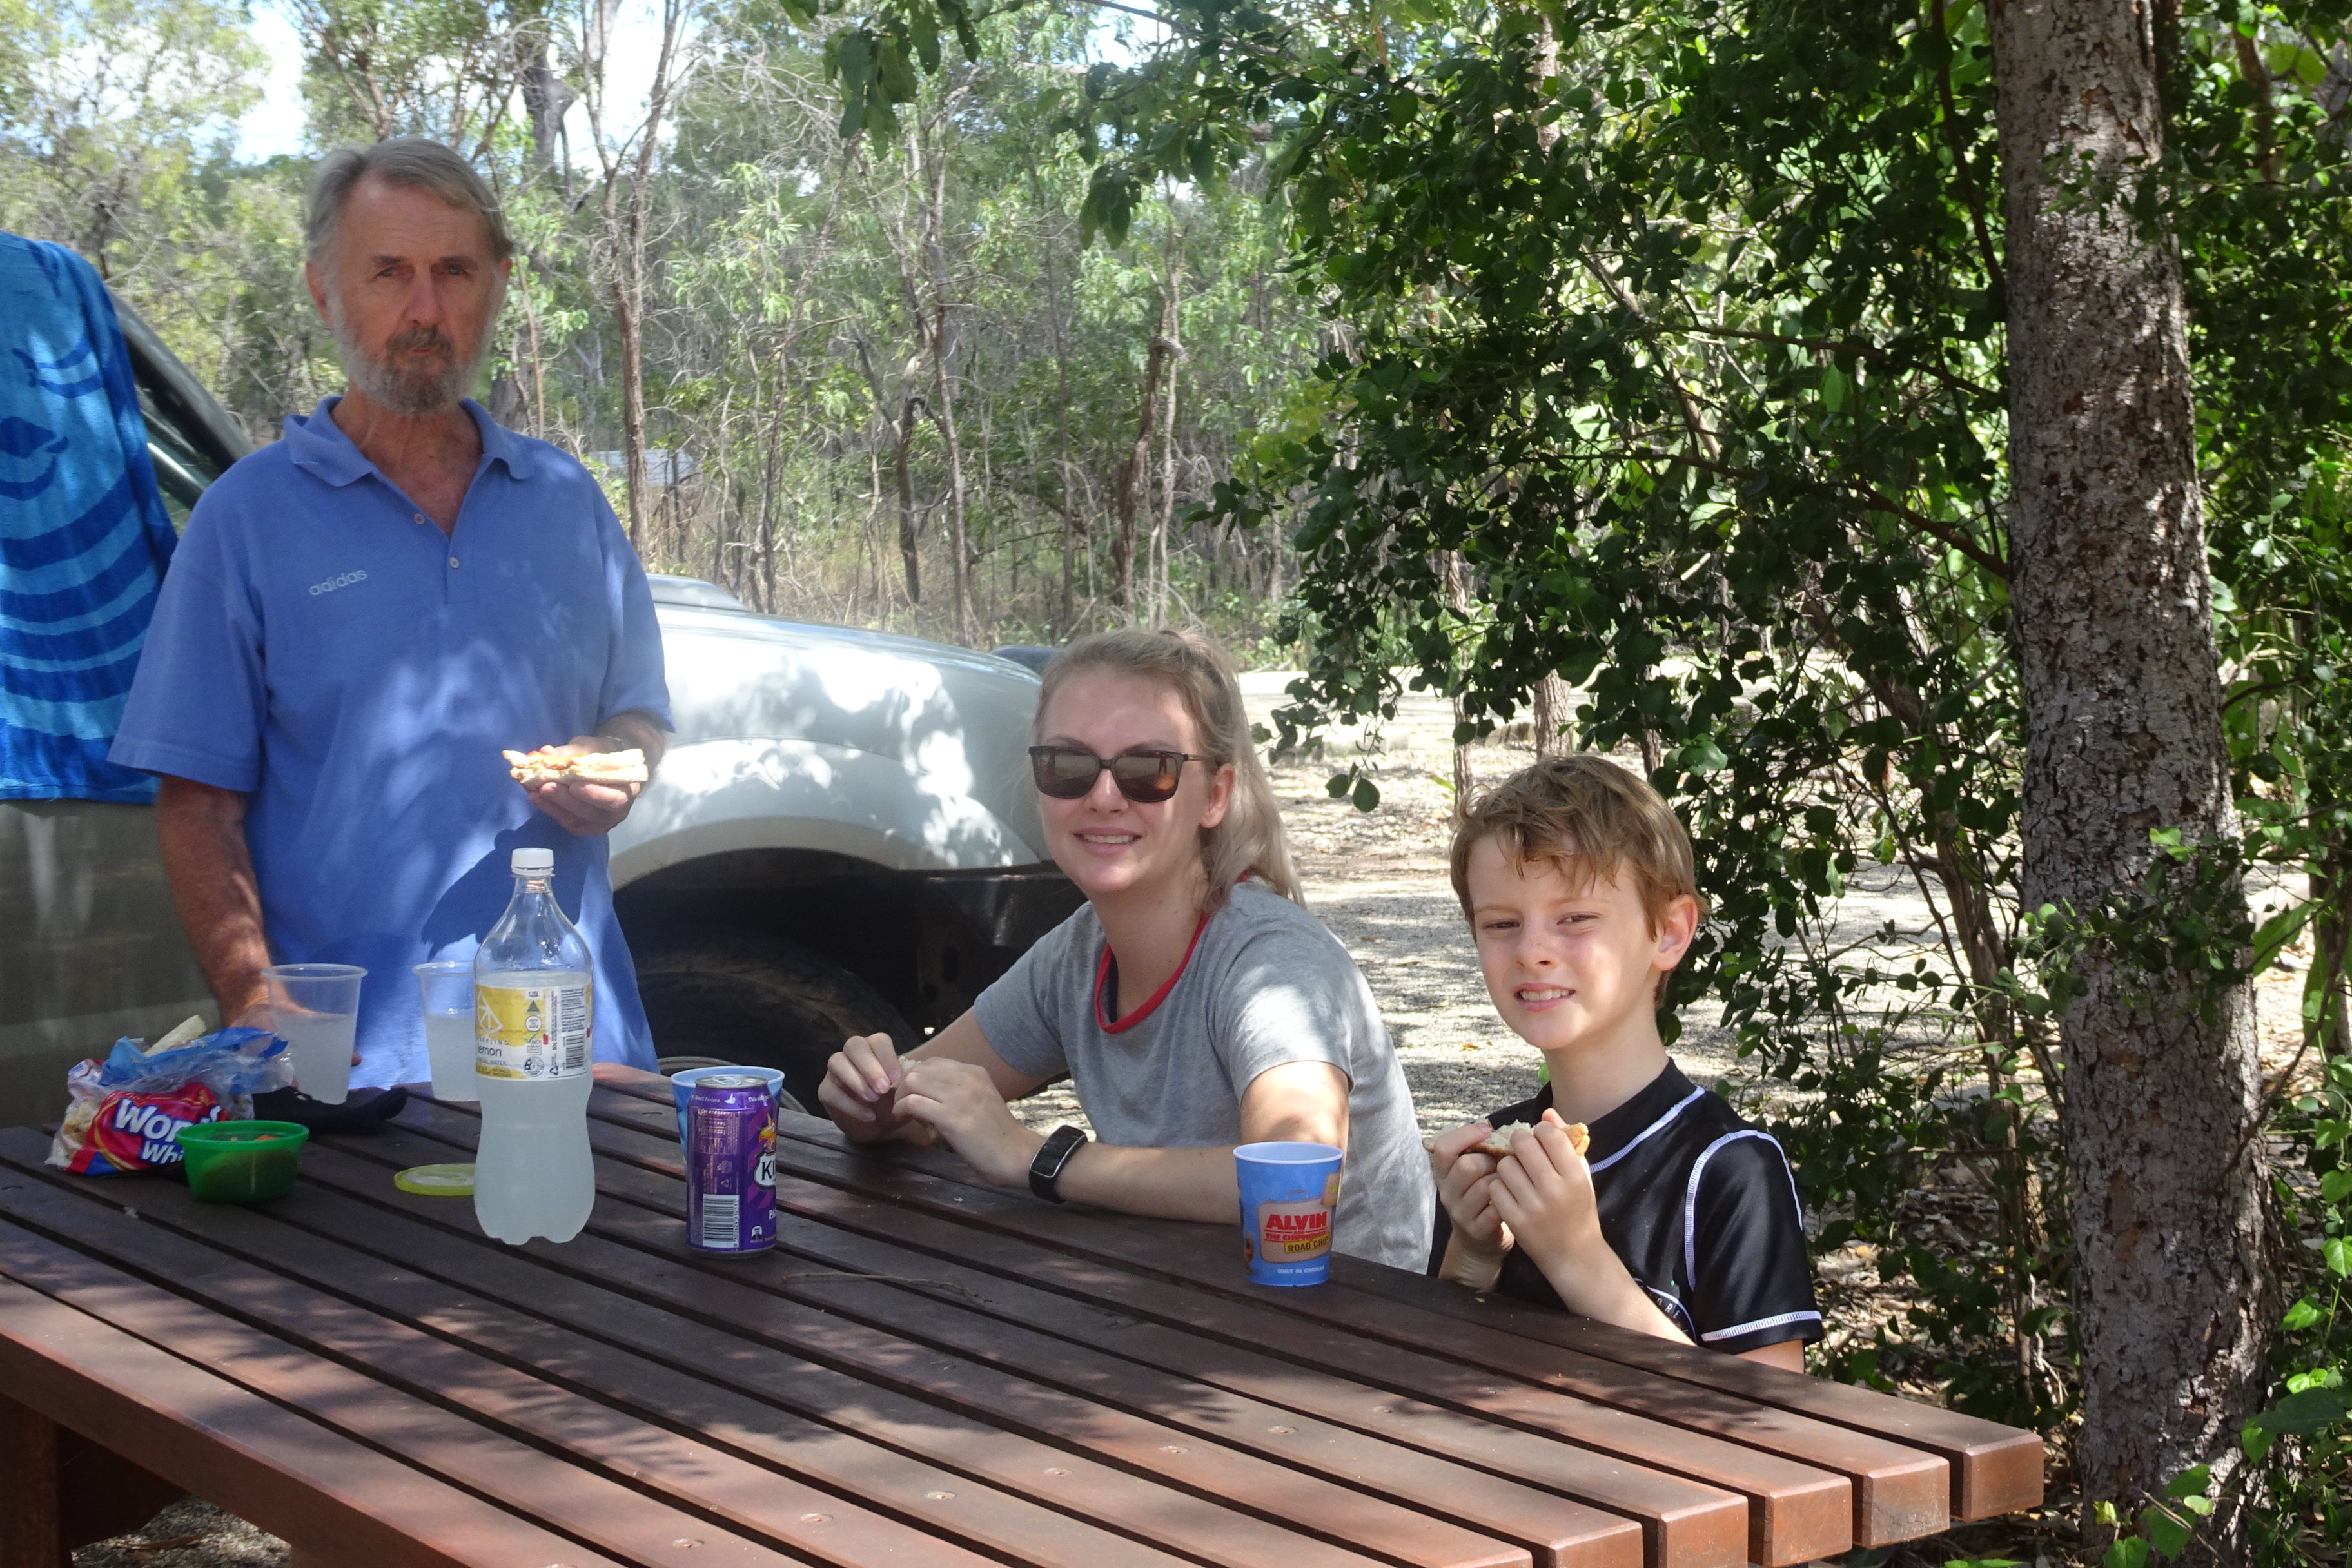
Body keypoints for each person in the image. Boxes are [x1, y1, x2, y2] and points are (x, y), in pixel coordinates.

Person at [107, 138, 671, 1093]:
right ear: (327, 293)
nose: (424, 310)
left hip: (573, 1053)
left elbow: (639, 716)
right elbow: (197, 800)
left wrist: (624, 763)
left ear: (496, 285)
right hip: (357, 1075)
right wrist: (253, 996)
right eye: (389, 274)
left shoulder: (567, 501)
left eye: (454, 271)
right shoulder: (247, 517)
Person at [819, 628, 1434, 1269]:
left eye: (1148, 770)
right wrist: (870, 1098)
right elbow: (916, 1094)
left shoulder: (1271, 966)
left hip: (1351, 1336)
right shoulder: (1078, 953)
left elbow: (1296, 1179)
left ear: (1215, 795)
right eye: (1068, 765)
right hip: (1181, 1312)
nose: (1104, 796)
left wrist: (1036, 1155)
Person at [1426, 755, 1821, 1368]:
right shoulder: (1494, 1156)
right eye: (1501, 923)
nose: (1532, 951)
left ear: (1667, 932)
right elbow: (1431, 1374)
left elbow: (1771, 1431)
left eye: (1575, 919)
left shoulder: (1728, 1170)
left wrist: (1577, 1258)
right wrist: (1473, 1257)